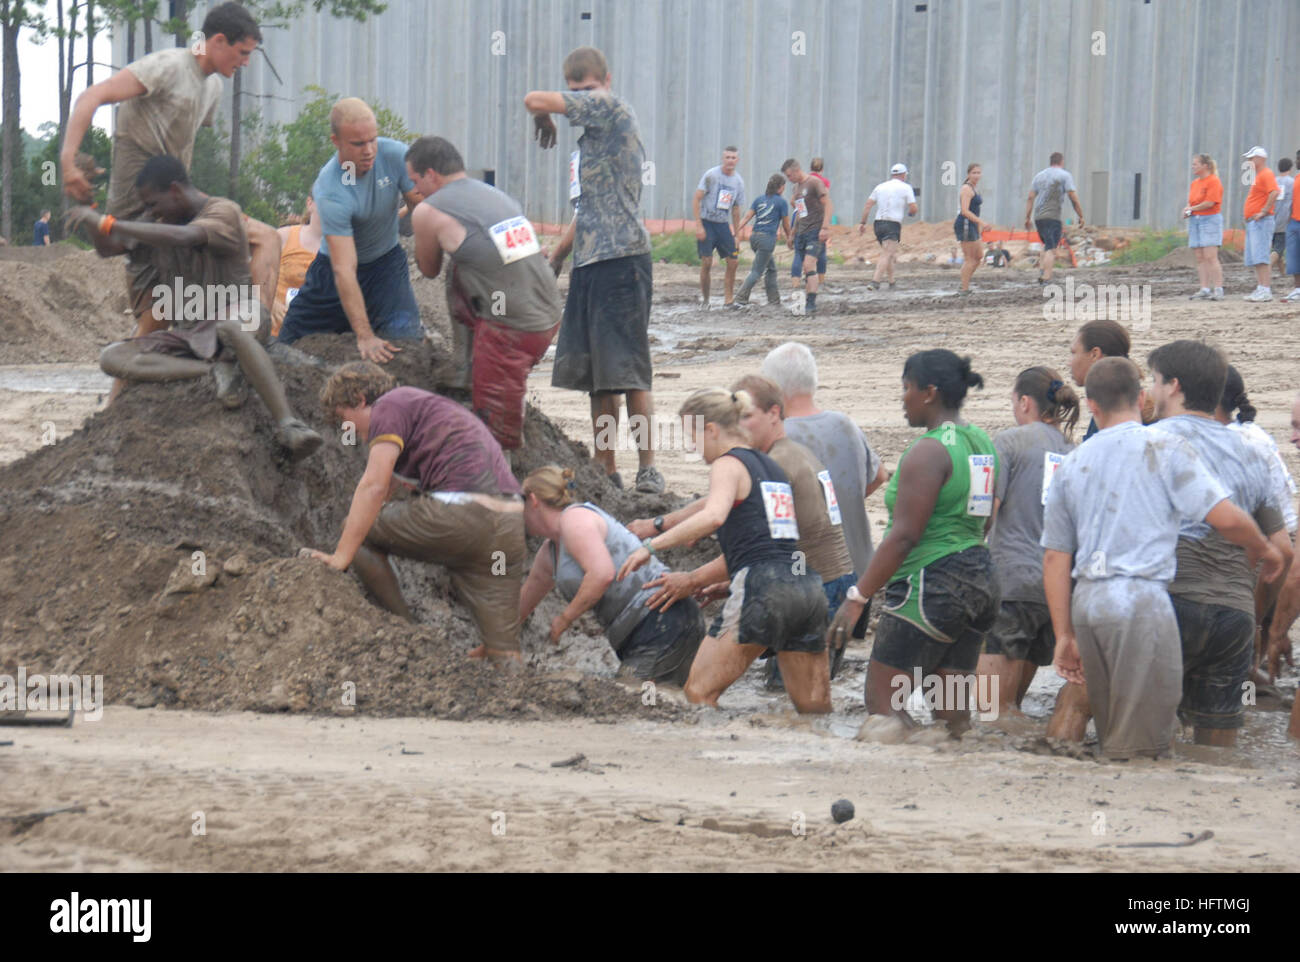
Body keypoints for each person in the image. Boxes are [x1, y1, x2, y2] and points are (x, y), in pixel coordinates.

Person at [1041, 357, 1282, 759]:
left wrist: (1064, 634)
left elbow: (1054, 557)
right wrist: (1262, 548)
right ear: (1140, 397)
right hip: (1141, 601)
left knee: (1107, 722)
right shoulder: (1164, 446)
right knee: (1145, 743)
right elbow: (1224, 517)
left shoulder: (1070, 464)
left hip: (1089, 603)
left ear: (1092, 406)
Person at [61, 2, 279, 400]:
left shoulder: (211, 86)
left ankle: (250, 335)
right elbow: (92, 95)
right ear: (217, 41)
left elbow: (182, 154)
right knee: (154, 319)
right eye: (242, 52)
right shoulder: (166, 66)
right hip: (142, 213)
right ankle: (112, 416)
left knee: (266, 237)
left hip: (179, 210)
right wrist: (68, 159)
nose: (245, 63)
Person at [66, 156, 321, 461]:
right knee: (113, 357)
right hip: (193, 337)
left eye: (153, 203)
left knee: (230, 327)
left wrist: (111, 222)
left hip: (242, 318)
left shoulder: (222, 211)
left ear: (174, 190)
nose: (150, 212)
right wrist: (89, 213)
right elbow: (109, 248)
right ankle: (214, 370)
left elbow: (186, 236)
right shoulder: (160, 222)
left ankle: (289, 424)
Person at [629, 374, 857, 683]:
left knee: (772, 693)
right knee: (801, 701)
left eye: (747, 416)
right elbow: (728, 509)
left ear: (774, 414)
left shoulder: (772, 464)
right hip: (823, 584)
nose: (740, 425)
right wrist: (661, 524)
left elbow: (757, 539)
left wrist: (690, 576)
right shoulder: (784, 457)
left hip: (815, 583)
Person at [826, 350, 999, 737]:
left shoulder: (928, 451)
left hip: (932, 585)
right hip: (980, 582)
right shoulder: (982, 442)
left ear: (928, 393)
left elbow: (904, 536)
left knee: (884, 708)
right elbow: (985, 519)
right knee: (952, 717)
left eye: (906, 388)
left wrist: (858, 598)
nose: (902, 398)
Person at [308, 362, 527, 666]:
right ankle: (518, 698)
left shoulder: (388, 406)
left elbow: (373, 487)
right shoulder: (424, 408)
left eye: (344, 420)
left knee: (359, 533)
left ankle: (406, 633)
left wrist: (341, 556)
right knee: (503, 650)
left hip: (462, 515)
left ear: (359, 399)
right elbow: (392, 489)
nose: (350, 432)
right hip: (509, 523)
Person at [525, 46, 664, 494]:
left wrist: (543, 115)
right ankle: (607, 469)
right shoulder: (587, 146)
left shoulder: (612, 107)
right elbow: (586, 211)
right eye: (575, 92)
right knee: (599, 381)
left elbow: (533, 99)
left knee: (630, 371)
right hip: (591, 261)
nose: (581, 99)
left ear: (605, 80)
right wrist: (559, 255)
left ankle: (648, 469)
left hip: (623, 260)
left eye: (586, 89)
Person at [1147, 341, 1292, 746]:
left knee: (1146, 737)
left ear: (1173, 386)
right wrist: (1253, 612)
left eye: (1155, 381)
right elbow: (1283, 551)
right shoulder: (1251, 452)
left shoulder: (1150, 441)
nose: (1152, 391)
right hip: (1234, 615)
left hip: (1169, 601)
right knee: (1219, 741)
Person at [405, 135, 560, 452]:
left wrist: (421, 228)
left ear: (431, 174)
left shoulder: (427, 210)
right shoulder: (497, 197)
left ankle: (505, 480)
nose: (415, 191)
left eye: (416, 181)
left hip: (513, 330)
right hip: (549, 310)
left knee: (495, 433)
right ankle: (465, 367)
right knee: (461, 269)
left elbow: (429, 269)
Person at [519, 466, 705, 684]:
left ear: (533, 500)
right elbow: (524, 603)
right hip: (643, 631)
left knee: (635, 698)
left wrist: (564, 619)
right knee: (657, 699)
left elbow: (601, 574)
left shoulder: (575, 519)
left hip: (664, 620)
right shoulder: (549, 552)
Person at [276, 99, 425, 359]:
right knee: (286, 350)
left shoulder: (395, 155)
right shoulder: (331, 188)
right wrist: (364, 335)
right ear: (337, 142)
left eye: (372, 140)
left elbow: (422, 207)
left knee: (407, 343)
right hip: (331, 277)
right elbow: (344, 268)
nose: (369, 151)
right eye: (358, 144)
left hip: (386, 266)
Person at [977, 367, 1079, 718]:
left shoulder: (1008, 442)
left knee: (990, 711)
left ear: (1024, 402)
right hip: (1054, 593)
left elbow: (985, 512)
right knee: (1011, 708)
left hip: (1010, 583)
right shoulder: (1073, 450)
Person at [761, 341, 887, 580]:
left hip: (813, 575)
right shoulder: (845, 424)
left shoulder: (777, 437)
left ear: (774, 389)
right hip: (862, 571)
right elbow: (879, 475)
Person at [1068, 319, 1152, 440]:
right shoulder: (1128, 396)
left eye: (1074, 353)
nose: (1069, 363)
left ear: (1095, 354)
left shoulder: (1109, 407)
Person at [693, 147, 745, 307]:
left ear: (737, 160)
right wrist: (699, 226)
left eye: (733, 157)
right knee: (707, 261)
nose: (730, 160)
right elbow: (696, 199)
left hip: (723, 225)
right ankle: (706, 300)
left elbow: (736, 209)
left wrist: (737, 234)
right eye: (728, 157)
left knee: (733, 261)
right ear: (723, 158)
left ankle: (728, 300)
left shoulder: (738, 182)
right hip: (707, 222)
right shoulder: (711, 175)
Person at [1024, 152, 1084, 284]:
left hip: (1038, 217)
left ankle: (1042, 269)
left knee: (1046, 245)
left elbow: (1030, 198)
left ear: (1050, 162)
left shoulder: (1038, 176)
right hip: (1053, 216)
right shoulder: (1064, 175)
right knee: (1051, 248)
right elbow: (1073, 197)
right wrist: (1080, 215)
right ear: (1061, 162)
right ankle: (1046, 277)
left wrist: (1027, 218)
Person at [781, 158, 831, 314]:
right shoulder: (796, 189)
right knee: (805, 266)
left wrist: (825, 228)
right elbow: (800, 213)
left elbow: (828, 205)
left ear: (796, 171)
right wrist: (792, 233)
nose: (789, 179)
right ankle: (807, 303)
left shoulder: (814, 183)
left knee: (809, 265)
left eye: (789, 176)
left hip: (815, 231)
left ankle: (811, 303)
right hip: (802, 231)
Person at [733, 173, 790, 307]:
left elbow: (747, 217)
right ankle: (740, 298)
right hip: (767, 240)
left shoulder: (759, 200)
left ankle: (774, 301)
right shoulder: (782, 202)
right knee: (757, 271)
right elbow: (786, 225)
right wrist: (790, 238)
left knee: (771, 269)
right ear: (781, 188)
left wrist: (735, 232)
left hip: (754, 238)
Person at [859, 163, 917, 290]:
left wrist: (862, 223)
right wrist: (910, 213)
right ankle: (875, 282)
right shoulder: (906, 187)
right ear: (903, 175)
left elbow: (868, 205)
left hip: (878, 224)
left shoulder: (880, 187)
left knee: (889, 253)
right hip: (892, 223)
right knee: (887, 253)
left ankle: (892, 282)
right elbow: (913, 208)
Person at [271, 194, 321, 336]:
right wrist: (269, 300)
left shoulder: (346, 248)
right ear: (310, 203)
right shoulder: (283, 236)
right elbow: (250, 277)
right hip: (272, 333)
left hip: (314, 337)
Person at [1184, 154, 1225, 300]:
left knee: (1210, 256)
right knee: (1200, 257)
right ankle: (1204, 288)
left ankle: (1218, 289)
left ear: (1205, 166)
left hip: (1210, 220)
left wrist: (1192, 209)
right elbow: (1192, 202)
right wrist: (1188, 209)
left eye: (1195, 164)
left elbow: (1210, 202)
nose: (1193, 166)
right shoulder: (1195, 183)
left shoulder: (1214, 181)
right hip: (1195, 220)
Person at [1241, 146, 1279, 302]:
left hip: (1262, 221)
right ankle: (1261, 287)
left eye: (1251, 158)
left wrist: (1263, 211)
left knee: (1261, 256)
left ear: (1260, 159)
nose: (1249, 161)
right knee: (1256, 257)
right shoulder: (1258, 175)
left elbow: (1275, 192)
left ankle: (1265, 289)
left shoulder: (1266, 174)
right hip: (1255, 221)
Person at [954, 163, 989, 295]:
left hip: (973, 225)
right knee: (969, 258)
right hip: (965, 224)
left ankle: (965, 283)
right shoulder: (966, 189)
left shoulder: (975, 188)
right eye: (974, 173)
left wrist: (979, 226)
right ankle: (964, 288)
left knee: (979, 256)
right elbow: (964, 211)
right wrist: (982, 222)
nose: (976, 175)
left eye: (979, 172)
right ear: (968, 174)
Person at [1272, 158, 1294, 275]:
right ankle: (1267, 268)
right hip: (1284, 220)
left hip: (1272, 219)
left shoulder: (1274, 181)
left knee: (1277, 248)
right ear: (1290, 168)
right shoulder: (1292, 182)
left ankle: (1283, 273)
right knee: (1278, 250)